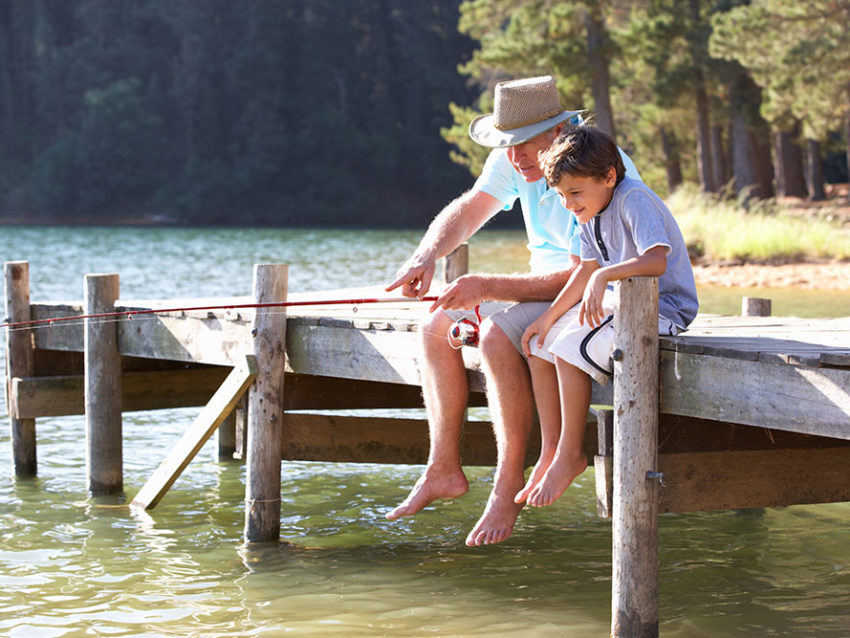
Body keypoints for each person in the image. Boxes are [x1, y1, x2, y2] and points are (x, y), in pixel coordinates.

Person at [384, 76, 640, 546]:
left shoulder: (597, 167)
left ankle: (506, 489)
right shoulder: (515, 161)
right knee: (435, 329)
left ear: (558, 131)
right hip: (543, 290)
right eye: (508, 144)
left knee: (498, 335)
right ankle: (442, 468)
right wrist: (425, 255)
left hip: (594, 295)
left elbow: (591, 270)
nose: (514, 156)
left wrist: (487, 286)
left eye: (523, 144)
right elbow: (467, 210)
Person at [516, 125, 698, 507]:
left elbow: (656, 260)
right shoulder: (589, 210)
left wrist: (605, 275)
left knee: (567, 348)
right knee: (541, 342)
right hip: (624, 305)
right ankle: (555, 447)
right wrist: (548, 317)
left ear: (609, 176)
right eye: (562, 195)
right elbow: (585, 268)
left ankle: (571, 454)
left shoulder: (634, 199)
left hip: (663, 309)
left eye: (575, 193)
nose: (569, 204)